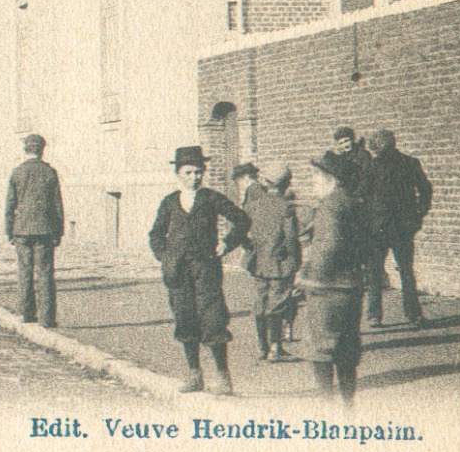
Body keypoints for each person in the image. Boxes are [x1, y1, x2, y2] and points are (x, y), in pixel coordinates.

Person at [149, 145, 251, 395]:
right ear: (178, 174)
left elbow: (242, 219)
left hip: (206, 269)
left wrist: (226, 243)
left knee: (213, 319)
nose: (194, 177)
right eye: (188, 172)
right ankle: (194, 375)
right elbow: (155, 234)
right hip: (178, 273)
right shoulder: (170, 202)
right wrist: (165, 256)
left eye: (198, 172)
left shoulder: (210, 198)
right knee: (185, 319)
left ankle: (223, 378)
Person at [299, 153, 369, 406]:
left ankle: (326, 408)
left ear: (329, 178)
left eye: (315, 176)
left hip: (327, 290)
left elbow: (328, 247)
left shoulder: (330, 206)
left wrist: (308, 279)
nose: (313, 182)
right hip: (351, 286)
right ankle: (348, 407)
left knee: (320, 350)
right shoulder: (353, 201)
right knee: (347, 350)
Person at [359, 130, 432, 328]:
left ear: (378, 147)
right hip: (389, 228)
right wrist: (418, 214)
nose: (374, 152)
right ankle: (403, 314)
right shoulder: (403, 163)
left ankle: (387, 315)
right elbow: (425, 189)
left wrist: (418, 215)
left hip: (389, 228)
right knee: (394, 271)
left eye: (374, 148)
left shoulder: (390, 165)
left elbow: (425, 189)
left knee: (387, 272)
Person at [242, 163, 302, 361]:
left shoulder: (254, 205)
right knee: (277, 303)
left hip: (259, 262)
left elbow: (244, 231)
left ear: (266, 183)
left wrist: (252, 251)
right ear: (286, 184)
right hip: (279, 263)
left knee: (260, 302)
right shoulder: (286, 208)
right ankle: (276, 348)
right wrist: (296, 261)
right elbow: (291, 238)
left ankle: (262, 347)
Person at [4, 133, 63, 327]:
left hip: (21, 229)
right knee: (45, 272)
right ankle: (47, 318)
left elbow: (10, 204)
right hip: (45, 229)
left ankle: (27, 313)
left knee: (24, 271)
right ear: (42, 150)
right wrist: (59, 231)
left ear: (25, 150)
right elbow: (57, 204)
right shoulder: (49, 172)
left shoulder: (17, 172)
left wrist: (9, 229)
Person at [322, 126, 368, 191]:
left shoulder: (362, 154)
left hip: (361, 192)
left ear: (352, 139)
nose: (345, 145)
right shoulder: (342, 157)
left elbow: (367, 176)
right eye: (341, 143)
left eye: (346, 141)